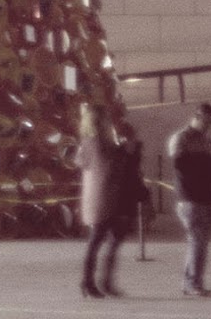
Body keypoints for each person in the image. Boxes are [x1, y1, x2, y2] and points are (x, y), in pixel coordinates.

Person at [75, 106, 146, 298]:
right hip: (104, 198)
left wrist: (123, 148)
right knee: (98, 241)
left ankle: (102, 282)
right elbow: (111, 167)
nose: (109, 122)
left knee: (111, 240)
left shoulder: (90, 143)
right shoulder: (98, 143)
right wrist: (126, 149)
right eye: (106, 119)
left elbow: (82, 162)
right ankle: (90, 282)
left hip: (102, 198)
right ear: (99, 122)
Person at [168, 101, 211, 297]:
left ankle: (190, 282)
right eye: (207, 122)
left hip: (207, 196)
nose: (209, 126)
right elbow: (180, 164)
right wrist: (208, 162)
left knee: (199, 242)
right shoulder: (181, 138)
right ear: (197, 117)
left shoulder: (208, 141)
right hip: (190, 197)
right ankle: (193, 283)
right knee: (197, 241)